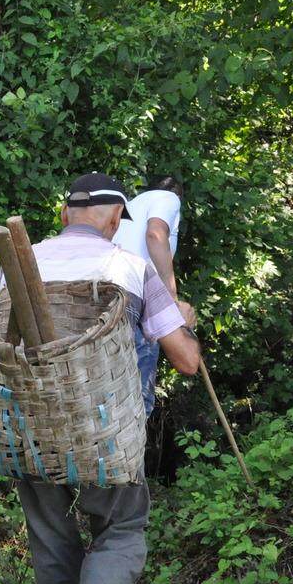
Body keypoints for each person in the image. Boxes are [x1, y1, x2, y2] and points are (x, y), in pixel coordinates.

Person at [0, 172, 200, 584]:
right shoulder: (131, 265)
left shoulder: (14, 268)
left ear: (64, 215)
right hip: (105, 429)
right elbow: (186, 361)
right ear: (112, 218)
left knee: (49, 535)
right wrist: (185, 319)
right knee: (123, 529)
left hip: (31, 426)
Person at [112, 176, 186, 416]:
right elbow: (155, 234)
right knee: (138, 396)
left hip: (107, 293)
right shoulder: (168, 198)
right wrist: (170, 296)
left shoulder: (131, 206)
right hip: (136, 294)